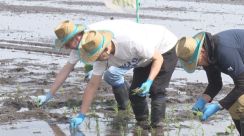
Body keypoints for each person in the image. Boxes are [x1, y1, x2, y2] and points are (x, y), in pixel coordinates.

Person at [69, 19, 178, 130]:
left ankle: (157, 127)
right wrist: (81, 114)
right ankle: (142, 125)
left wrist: (149, 81)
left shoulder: (130, 42)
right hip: (143, 58)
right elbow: (92, 85)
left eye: (97, 56)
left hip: (165, 48)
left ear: (105, 49)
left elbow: (158, 58)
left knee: (156, 90)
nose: (96, 60)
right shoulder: (101, 59)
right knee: (135, 93)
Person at [36, 20, 130, 114]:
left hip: (125, 43)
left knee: (112, 74)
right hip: (113, 50)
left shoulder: (94, 38)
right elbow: (67, 68)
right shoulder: (82, 44)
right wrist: (49, 94)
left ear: (76, 37)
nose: (66, 48)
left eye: (67, 44)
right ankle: (127, 104)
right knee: (112, 75)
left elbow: (110, 54)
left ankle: (126, 107)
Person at [175, 29, 244, 134]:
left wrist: (218, 106)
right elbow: (215, 84)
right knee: (233, 106)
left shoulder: (224, 51)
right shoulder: (208, 55)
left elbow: (242, 83)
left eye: (196, 62)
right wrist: (203, 100)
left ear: (201, 51)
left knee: (240, 104)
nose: (198, 65)